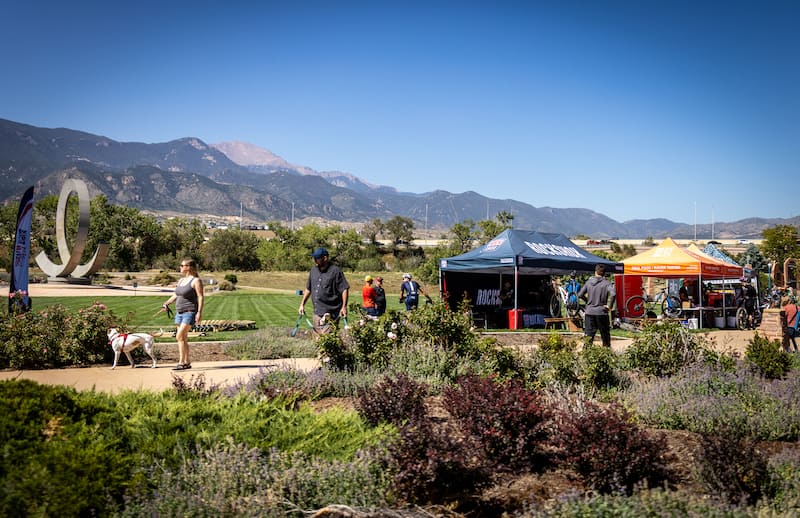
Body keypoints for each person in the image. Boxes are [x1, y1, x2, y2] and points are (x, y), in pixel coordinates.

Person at [159, 258, 204, 370]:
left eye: (182, 265)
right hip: (179, 313)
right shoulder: (181, 281)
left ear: (188, 267)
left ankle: (181, 362)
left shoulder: (196, 281)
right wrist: (166, 303)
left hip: (190, 312)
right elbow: (176, 295)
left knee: (179, 336)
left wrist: (199, 312)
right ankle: (187, 362)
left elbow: (200, 296)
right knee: (183, 338)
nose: (180, 267)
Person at [299, 247, 349, 334]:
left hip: (331, 312)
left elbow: (344, 289)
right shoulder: (313, 271)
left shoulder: (335, 271)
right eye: (314, 258)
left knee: (327, 338)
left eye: (317, 258)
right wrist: (302, 304)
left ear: (325, 258)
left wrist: (344, 307)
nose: (315, 260)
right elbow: (308, 289)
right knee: (317, 338)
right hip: (317, 311)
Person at [578, 263, 616, 347]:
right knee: (605, 336)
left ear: (595, 272)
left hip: (589, 312)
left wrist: (587, 301)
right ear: (604, 273)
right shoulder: (606, 283)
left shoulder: (588, 282)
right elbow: (613, 294)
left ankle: (586, 356)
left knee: (588, 336)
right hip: (601, 312)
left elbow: (580, 294)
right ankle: (606, 355)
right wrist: (609, 306)